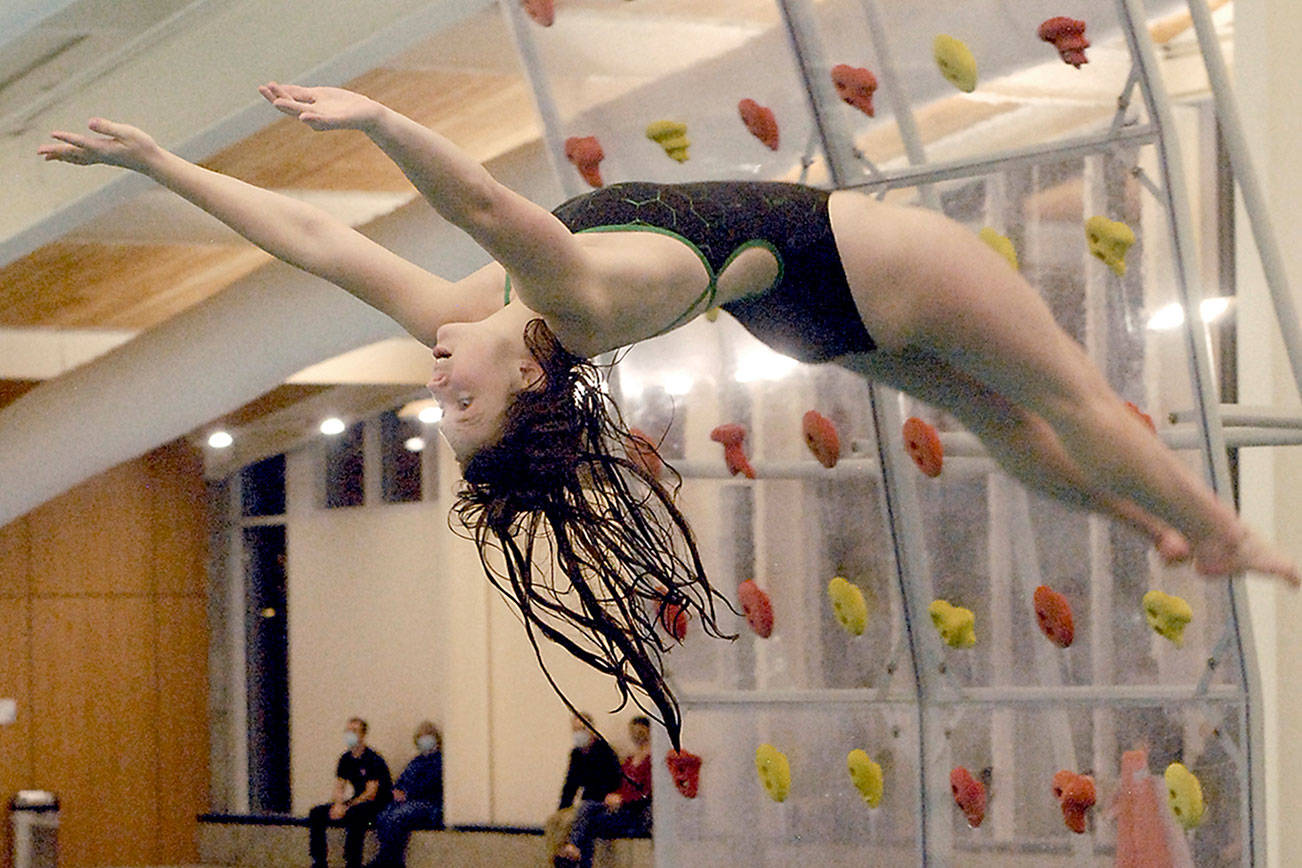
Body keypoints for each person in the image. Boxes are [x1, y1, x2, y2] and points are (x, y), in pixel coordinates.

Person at [40, 84, 1299, 749]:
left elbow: (315, 242)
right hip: (865, 260)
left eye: (439, 401)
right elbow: (480, 197)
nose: (436, 379)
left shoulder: (484, 311)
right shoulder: (557, 290)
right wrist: (377, 120)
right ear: (528, 381)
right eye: (459, 399)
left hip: (803, 315)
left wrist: (161, 167)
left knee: (1014, 426)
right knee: (1062, 394)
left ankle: (1157, 533)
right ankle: (1213, 529)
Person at [555, 716, 654, 868]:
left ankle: (572, 848)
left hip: (633, 812)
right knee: (588, 823)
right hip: (615, 807)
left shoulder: (651, 761)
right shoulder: (629, 760)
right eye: (633, 731)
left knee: (587, 808)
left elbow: (647, 792)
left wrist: (622, 799)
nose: (636, 735)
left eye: (640, 731)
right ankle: (580, 859)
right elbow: (570, 785)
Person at [306, 717, 392, 868]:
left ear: (363, 735)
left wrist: (348, 806)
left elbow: (371, 793)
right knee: (316, 813)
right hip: (355, 801)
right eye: (347, 731)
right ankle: (318, 861)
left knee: (355, 815)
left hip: (377, 804)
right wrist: (338, 805)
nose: (349, 734)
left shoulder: (373, 759)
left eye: (354, 731)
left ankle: (352, 862)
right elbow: (339, 786)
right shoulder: (345, 759)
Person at [543, 712, 622, 865]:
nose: (578, 734)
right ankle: (558, 856)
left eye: (582, 729)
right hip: (588, 801)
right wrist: (563, 808)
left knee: (584, 813)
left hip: (603, 800)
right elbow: (570, 784)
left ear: (591, 730)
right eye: (575, 730)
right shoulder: (577, 754)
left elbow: (612, 780)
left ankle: (573, 847)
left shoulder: (604, 751)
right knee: (558, 821)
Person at [367, 720, 444, 868]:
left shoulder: (439, 761)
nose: (424, 739)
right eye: (421, 736)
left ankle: (390, 860)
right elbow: (401, 781)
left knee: (398, 816)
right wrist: (396, 791)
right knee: (383, 815)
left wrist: (407, 794)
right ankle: (387, 856)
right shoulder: (416, 762)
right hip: (408, 801)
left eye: (427, 736)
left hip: (428, 804)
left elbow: (430, 785)